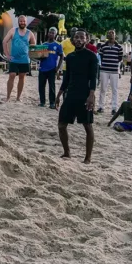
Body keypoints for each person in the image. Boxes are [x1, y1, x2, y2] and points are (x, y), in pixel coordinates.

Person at [56, 30, 99, 163]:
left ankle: (88, 157)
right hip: (71, 94)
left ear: (86, 40)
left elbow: (94, 78)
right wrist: (59, 94)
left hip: (85, 94)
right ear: (72, 40)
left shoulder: (91, 56)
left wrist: (91, 95)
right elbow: (67, 78)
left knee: (87, 125)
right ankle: (67, 152)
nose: (79, 39)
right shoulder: (70, 57)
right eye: (76, 37)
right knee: (62, 125)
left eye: (82, 37)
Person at [3, 15, 35, 102]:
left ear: (26, 22)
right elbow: (4, 42)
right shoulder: (13, 30)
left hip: (24, 60)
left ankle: (18, 97)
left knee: (22, 77)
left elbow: (34, 46)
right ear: (18, 22)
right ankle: (8, 97)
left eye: (24, 21)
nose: (22, 23)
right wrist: (7, 55)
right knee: (12, 75)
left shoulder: (30, 33)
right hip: (14, 59)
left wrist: (31, 55)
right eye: (21, 21)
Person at [96, 30, 124, 114]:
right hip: (104, 70)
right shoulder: (103, 46)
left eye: (112, 33)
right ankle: (101, 107)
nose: (110, 34)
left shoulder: (119, 47)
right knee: (102, 89)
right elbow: (101, 56)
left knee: (114, 90)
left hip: (114, 71)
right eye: (109, 33)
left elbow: (120, 58)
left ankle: (114, 108)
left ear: (115, 35)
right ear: (107, 35)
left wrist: (114, 64)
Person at [37, 27, 64, 108]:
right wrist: (40, 56)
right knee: (41, 86)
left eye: (53, 33)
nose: (51, 34)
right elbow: (38, 56)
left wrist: (58, 67)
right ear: (47, 33)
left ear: (55, 34)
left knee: (52, 86)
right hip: (42, 68)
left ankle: (52, 103)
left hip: (52, 69)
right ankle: (42, 102)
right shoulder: (43, 45)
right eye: (50, 32)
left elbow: (62, 56)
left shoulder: (58, 45)